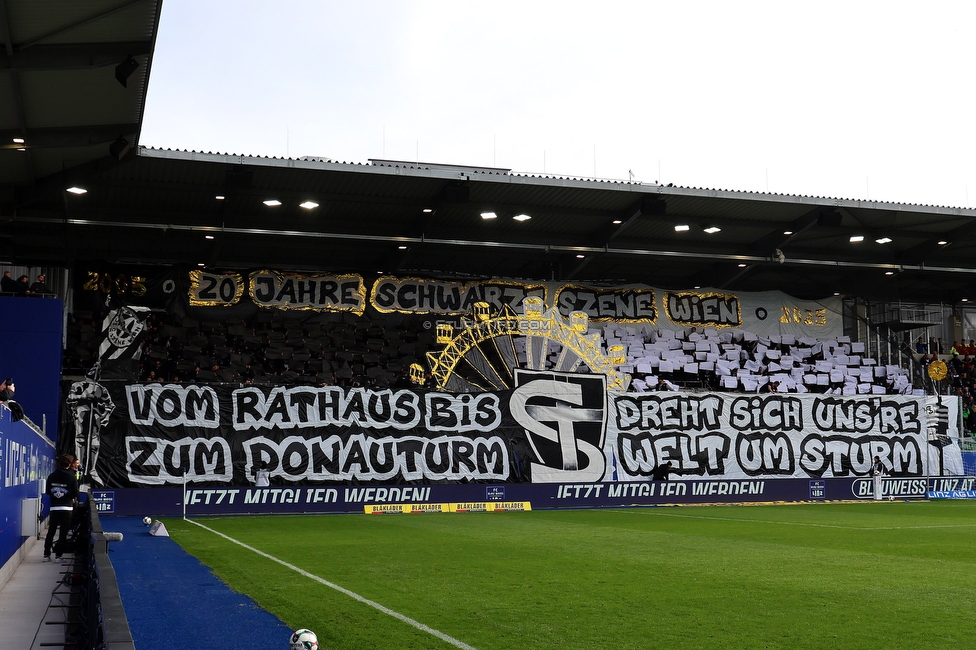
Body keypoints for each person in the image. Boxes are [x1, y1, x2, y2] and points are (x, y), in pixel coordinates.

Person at [44, 454, 79, 562]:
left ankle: (46, 555)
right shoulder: (71, 477)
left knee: (51, 531)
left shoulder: (51, 476)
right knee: (63, 533)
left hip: (54, 507)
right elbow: (75, 493)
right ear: (69, 464)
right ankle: (58, 556)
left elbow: (48, 491)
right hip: (67, 508)